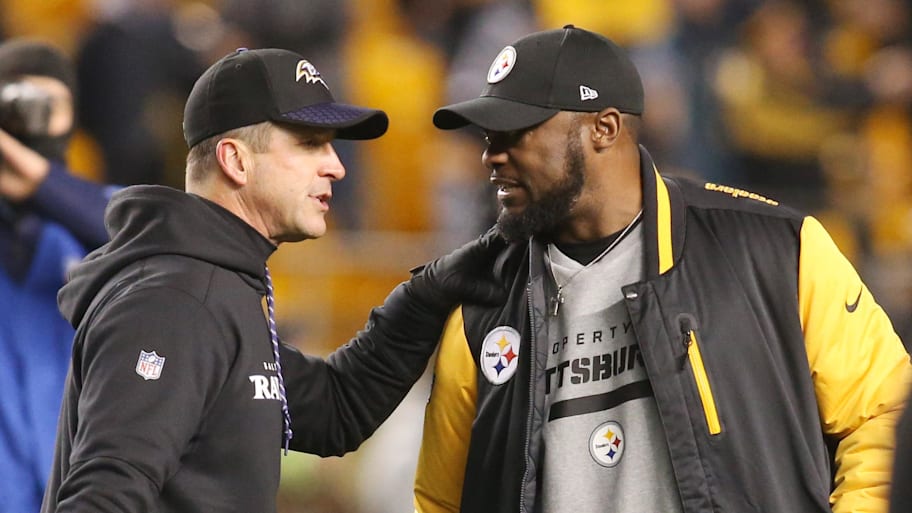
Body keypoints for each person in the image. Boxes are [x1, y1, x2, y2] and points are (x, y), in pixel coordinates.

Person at [413, 25, 912, 513]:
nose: (491, 156)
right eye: (489, 136)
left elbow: (881, 412)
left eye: (516, 133)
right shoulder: (481, 311)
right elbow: (442, 499)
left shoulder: (777, 248)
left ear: (604, 129)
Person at [40, 48, 503, 513]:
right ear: (235, 160)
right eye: (310, 144)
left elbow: (336, 409)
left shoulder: (215, 286)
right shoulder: (175, 302)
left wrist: (426, 294)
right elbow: (101, 500)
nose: (336, 166)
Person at [0, 39, 113, 513]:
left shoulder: (108, 208)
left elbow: (145, 242)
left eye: (50, 104)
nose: (33, 117)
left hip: (78, 481)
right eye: (17, 99)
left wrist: (40, 184)